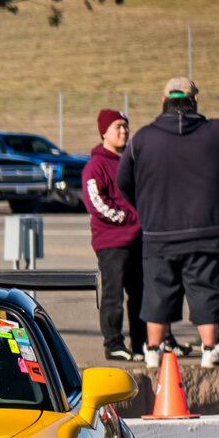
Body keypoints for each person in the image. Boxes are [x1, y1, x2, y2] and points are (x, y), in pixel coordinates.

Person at [118, 75, 219, 370]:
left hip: (158, 233)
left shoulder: (142, 139)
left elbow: (124, 181)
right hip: (208, 233)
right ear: (195, 101)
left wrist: (146, 210)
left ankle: (153, 351)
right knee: (207, 290)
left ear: (163, 103)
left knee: (157, 293)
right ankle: (211, 350)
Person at [84, 108, 146, 361]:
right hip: (112, 242)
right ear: (104, 133)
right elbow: (95, 202)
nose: (124, 131)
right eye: (118, 127)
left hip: (140, 240)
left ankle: (142, 344)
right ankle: (114, 343)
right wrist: (128, 217)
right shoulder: (96, 165)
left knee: (141, 294)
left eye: (126, 126)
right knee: (113, 294)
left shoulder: (132, 161)